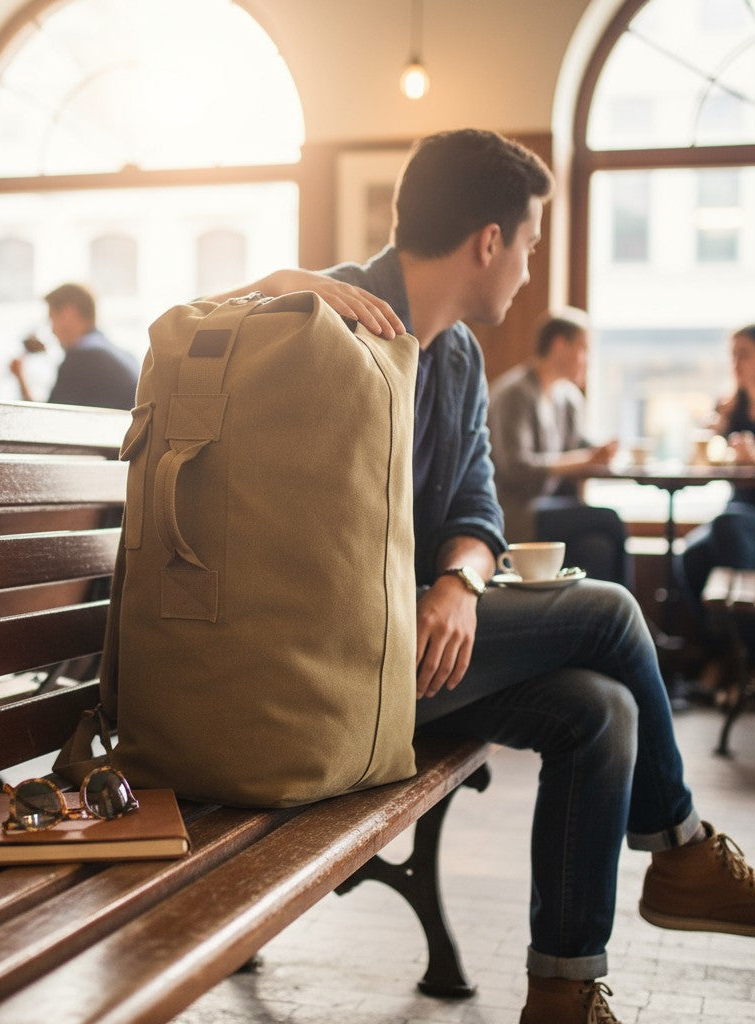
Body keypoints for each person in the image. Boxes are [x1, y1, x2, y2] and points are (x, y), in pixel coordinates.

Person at [209, 129, 755, 1024]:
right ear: (489, 241)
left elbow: (478, 508)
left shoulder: (456, 355)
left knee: (602, 711)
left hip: (407, 660)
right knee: (613, 613)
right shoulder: (319, 313)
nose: (530, 271)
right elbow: (188, 346)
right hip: (315, 672)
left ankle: (564, 995)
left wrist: (459, 582)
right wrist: (272, 286)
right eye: (531, 245)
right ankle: (683, 849)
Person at [488, 308, 630, 586]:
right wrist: (585, 460)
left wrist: (604, 452)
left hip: (550, 506)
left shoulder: (568, 398)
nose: (587, 361)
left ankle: (604, 625)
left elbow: (578, 446)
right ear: (559, 346)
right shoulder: (514, 394)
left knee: (597, 546)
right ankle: (636, 621)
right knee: (610, 520)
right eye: (584, 349)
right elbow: (516, 467)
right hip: (516, 511)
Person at [677, 324, 755, 690]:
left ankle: (748, 664)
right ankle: (724, 655)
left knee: (727, 526)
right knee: (690, 555)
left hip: (740, 520)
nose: (736, 363)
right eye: (733, 354)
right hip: (737, 514)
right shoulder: (732, 407)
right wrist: (714, 431)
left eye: (745, 354)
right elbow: (703, 465)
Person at [9, 282, 139, 410]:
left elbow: (47, 420)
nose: (52, 331)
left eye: (52, 319)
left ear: (68, 314)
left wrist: (21, 380)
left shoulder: (82, 359)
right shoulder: (122, 354)